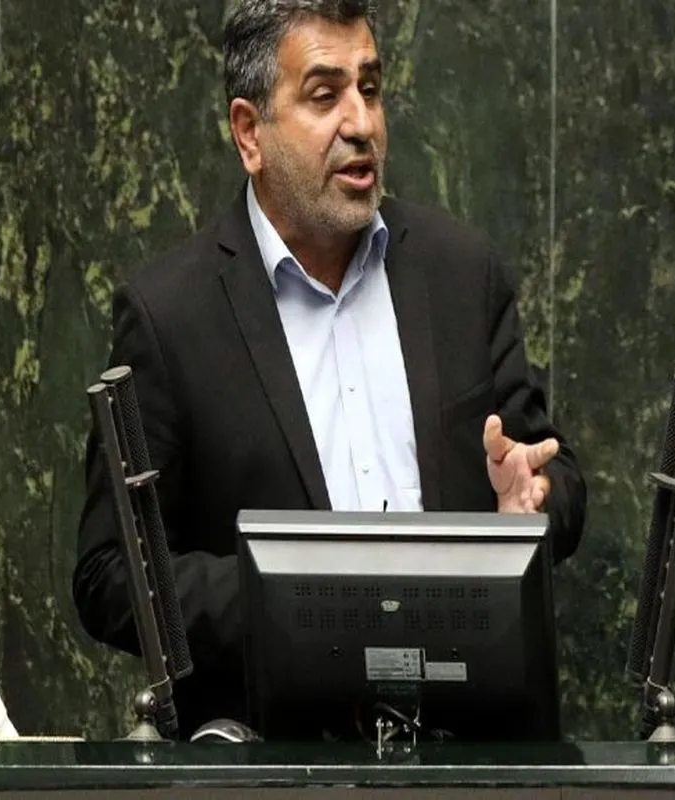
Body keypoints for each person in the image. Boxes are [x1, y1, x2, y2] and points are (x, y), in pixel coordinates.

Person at [73, 0, 588, 740]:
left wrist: (530, 506)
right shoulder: (170, 316)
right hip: (276, 764)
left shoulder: (460, 272)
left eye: (370, 89)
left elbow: (552, 476)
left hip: (470, 758)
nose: (361, 123)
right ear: (250, 133)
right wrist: (298, 596)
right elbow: (110, 572)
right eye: (325, 96)